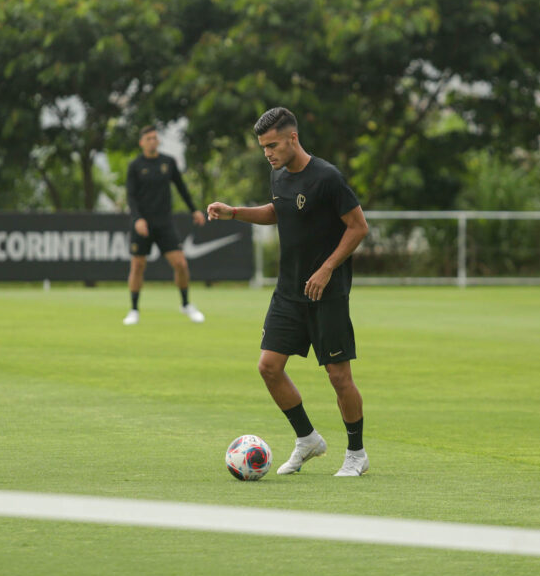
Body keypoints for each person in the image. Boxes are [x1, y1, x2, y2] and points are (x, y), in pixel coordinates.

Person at [207, 107, 370, 477]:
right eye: (264, 147)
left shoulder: (327, 177)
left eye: (273, 145)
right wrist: (235, 212)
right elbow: (279, 211)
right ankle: (307, 439)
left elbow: (358, 228)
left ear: (293, 138)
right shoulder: (278, 175)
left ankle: (357, 453)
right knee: (268, 367)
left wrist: (327, 269)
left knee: (338, 377)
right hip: (288, 291)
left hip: (325, 292)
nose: (268, 153)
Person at [124, 125, 206, 325]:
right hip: (143, 224)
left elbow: (181, 187)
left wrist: (194, 209)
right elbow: (130, 196)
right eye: (148, 138)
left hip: (164, 223)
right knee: (138, 265)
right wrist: (137, 219)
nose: (152, 141)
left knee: (180, 264)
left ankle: (186, 304)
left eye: (155, 137)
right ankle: (134, 310)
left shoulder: (168, 163)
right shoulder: (135, 166)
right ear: (142, 142)